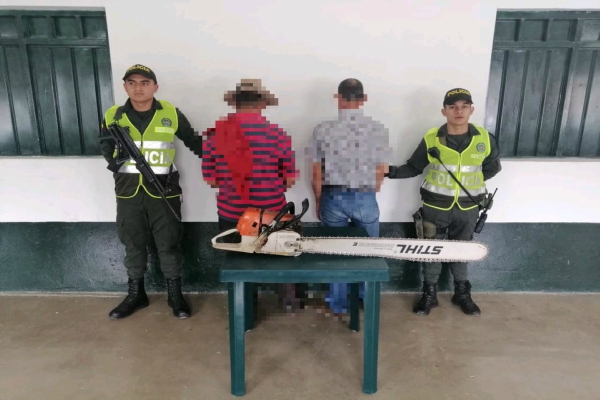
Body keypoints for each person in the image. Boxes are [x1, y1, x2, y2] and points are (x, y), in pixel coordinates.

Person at [99, 64, 202, 320]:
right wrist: (116, 165)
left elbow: (195, 142)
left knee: (169, 242)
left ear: (155, 87)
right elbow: (105, 145)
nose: (138, 88)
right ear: (125, 87)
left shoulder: (170, 113)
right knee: (132, 243)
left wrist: (221, 161)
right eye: (132, 83)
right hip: (128, 192)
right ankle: (136, 295)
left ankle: (175, 295)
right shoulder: (113, 115)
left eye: (145, 83)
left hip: (164, 191)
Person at [387, 88, 502, 316]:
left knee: (462, 249)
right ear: (444, 111)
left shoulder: (484, 138)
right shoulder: (432, 137)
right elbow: (414, 167)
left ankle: (462, 293)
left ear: (471, 110)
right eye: (453, 107)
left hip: (468, 207)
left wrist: (469, 185)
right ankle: (429, 294)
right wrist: (388, 172)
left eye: (464, 106)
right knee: (431, 250)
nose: (459, 111)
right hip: (435, 206)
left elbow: (493, 167)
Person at [201, 78, 300, 309]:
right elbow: (290, 179)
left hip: (232, 213)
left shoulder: (215, 135)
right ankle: (288, 302)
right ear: (262, 104)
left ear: (235, 103)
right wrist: (270, 187)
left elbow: (211, 179)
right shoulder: (277, 134)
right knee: (277, 257)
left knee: (239, 261)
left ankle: (244, 308)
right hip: (272, 212)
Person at [307, 78, 392, 317]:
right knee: (369, 252)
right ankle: (367, 298)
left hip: (333, 195)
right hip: (365, 195)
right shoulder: (378, 129)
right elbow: (381, 170)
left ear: (338, 98)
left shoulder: (322, 129)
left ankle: (338, 303)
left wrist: (319, 199)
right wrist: (370, 191)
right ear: (364, 99)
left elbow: (316, 171)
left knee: (336, 252)